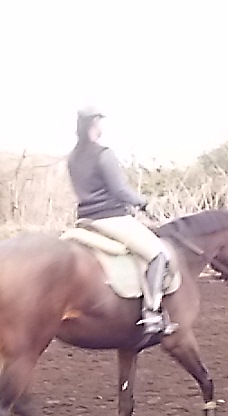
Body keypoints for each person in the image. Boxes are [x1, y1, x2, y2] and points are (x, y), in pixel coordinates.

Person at [67, 105, 177, 335]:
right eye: (100, 121)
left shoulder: (73, 158)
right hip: (111, 218)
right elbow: (119, 190)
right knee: (158, 253)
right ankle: (152, 313)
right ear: (94, 123)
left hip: (85, 220)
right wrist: (143, 202)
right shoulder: (103, 153)